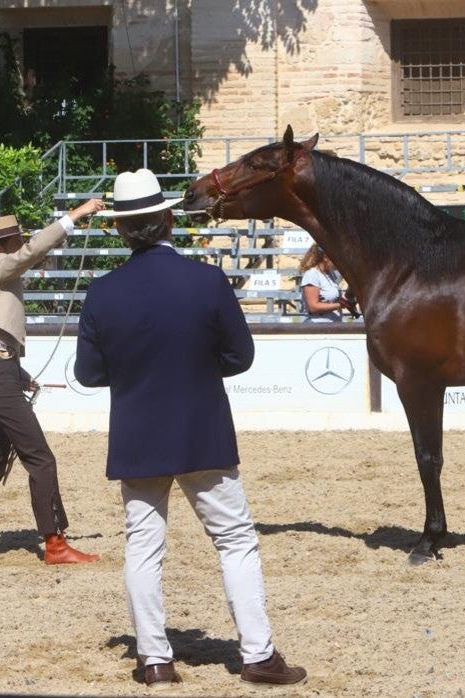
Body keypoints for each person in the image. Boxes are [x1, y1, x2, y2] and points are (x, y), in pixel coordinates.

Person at [75, 168, 307, 688]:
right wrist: (197, 369)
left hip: (138, 431)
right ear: (168, 220)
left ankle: (155, 659)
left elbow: (88, 374)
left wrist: (135, 374)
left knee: (143, 546)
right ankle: (258, 655)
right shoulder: (206, 280)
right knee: (235, 540)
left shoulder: (103, 292)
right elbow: (240, 356)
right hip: (202, 427)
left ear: (121, 229)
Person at [0, 203, 105, 565]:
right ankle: (55, 545)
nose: (22, 245)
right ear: (2, 245)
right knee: (41, 460)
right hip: (0, 382)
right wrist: (74, 216)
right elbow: (32, 251)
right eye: (17, 240)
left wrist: (19, 375)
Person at [298, 244, 351, 322]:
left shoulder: (331, 274)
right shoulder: (312, 275)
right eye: (337, 258)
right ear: (325, 257)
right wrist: (340, 305)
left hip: (333, 325)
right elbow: (313, 307)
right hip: (317, 325)